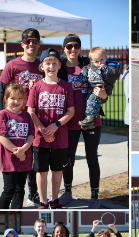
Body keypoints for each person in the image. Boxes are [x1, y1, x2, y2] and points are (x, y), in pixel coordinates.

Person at [0, 28, 45, 206]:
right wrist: (3, 119)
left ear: (39, 44)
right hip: (13, 124)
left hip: (34, 121)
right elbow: (1, 92)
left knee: (33, 160)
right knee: (15, 168)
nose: (31, 44)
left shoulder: (42, 66)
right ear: (22, 44)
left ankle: (33, 194)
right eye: (28, 41)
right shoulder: (12, 65)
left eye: (35, 41)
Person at [60, 34, 106, 208]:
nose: (73, 49)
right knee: (68, 158)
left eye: (76, 46)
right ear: (64, 49)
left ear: (80, 48)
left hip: (91, 120)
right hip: (69, 121)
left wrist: (104, 95)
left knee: (92, 158)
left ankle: (95, 196)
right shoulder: (60, 67)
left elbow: (104, 87)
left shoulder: (89, 64)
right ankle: (68, 191)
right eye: (69, 46)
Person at [27, 48, 75, 209]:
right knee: (41, 171)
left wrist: (56, 125)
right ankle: (42, 200)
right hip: (40, 139)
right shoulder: (36, 87)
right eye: (48, 63)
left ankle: (54, 199)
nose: (51, 66)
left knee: (56, 170)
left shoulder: (66, 86)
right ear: (42, 66)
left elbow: (71, 110)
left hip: (60, 137)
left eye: (55, 63)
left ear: (59, 66)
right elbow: (31, 111)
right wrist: (42, 130)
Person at [0, 83, 34, 208]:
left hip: (24, 158)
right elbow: (1, 136)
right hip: (9, 159)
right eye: (12, 98)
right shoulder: (2, 114)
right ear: (6, 99)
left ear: (24, 100)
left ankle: (16, 216)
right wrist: (17, 152)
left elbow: (31, 135)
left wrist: (23, 150)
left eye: (19, 98)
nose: (16, 101)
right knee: (9, 189)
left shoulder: (26, 116)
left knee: (20, 190)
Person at [72, 47, 120, 129]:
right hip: (92, 87)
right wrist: (80, 81)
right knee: (89, 101)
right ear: (92, 61)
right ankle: (89, 121)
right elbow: (84, 74)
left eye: (102, 59)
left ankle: (90, 118)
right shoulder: (89, 67)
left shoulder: (110, 67)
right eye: (96, 61)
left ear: (106, 58)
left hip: (102, 88)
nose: (100, 63)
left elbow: (114, 75)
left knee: (93, 100)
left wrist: (104, 69)